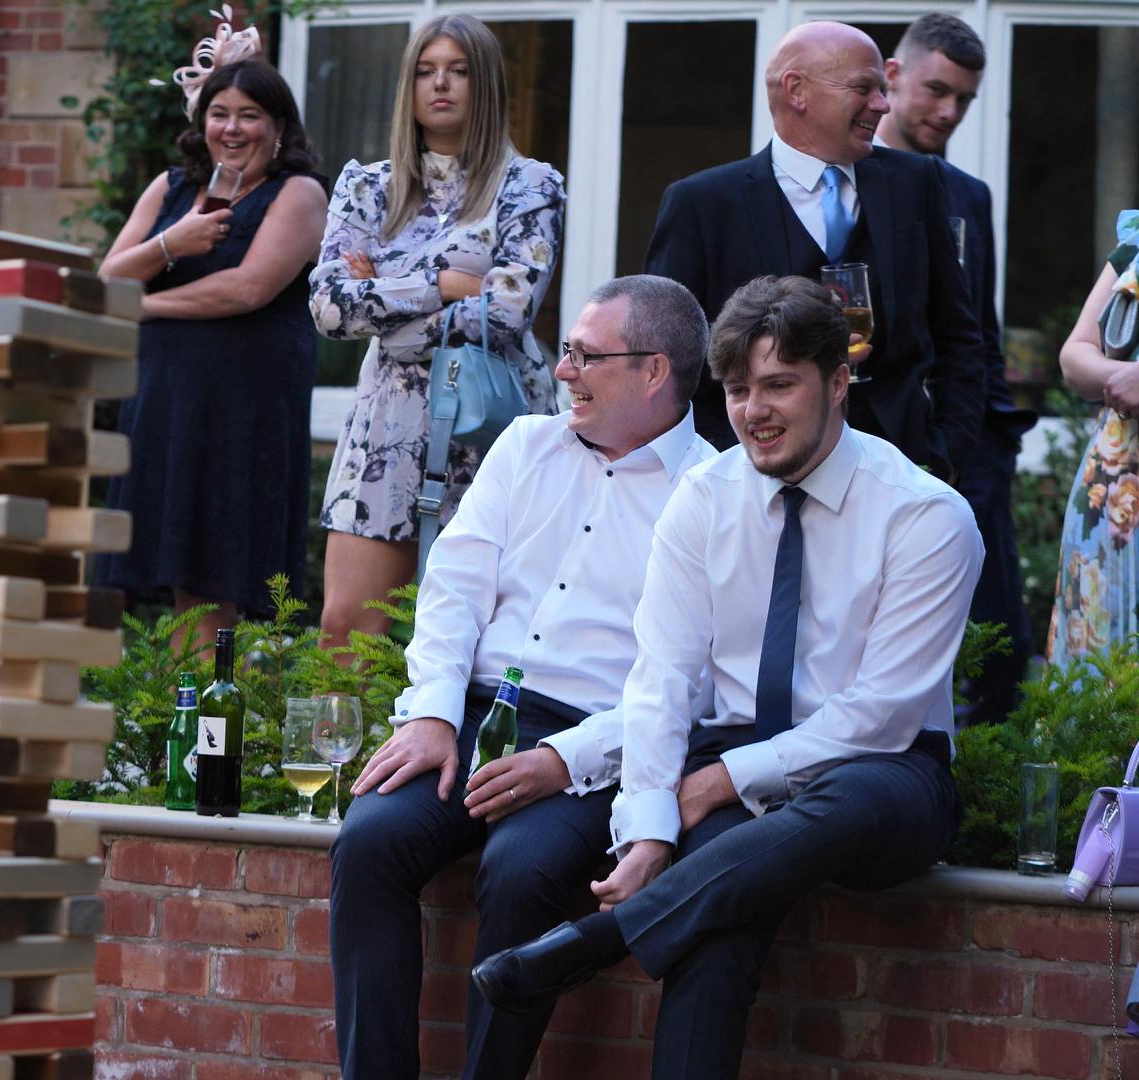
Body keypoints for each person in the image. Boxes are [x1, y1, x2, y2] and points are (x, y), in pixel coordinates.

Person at [474, 276, 981, 1080]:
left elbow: (880, 716)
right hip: (732, 761)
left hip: (885, 776)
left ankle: (600, 942)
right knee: (718, 922)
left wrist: (717, 785)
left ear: (839, 381)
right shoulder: (704, 498)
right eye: (740, 389)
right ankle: (636, 928)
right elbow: (662, 679)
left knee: (847, 792)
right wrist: (646, 831)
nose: (755, 410)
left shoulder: (925, 516)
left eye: (781, 384)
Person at [331, 275, 716, 1079]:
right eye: (567, 351)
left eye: (584, 355)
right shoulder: (525, 444)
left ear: (654, 372)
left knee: (523, 869)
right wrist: (431, 713)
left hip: (590, 749)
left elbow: (690, 684)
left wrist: (564, 762)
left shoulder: (714, 495)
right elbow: (453, 588)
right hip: (469, 717)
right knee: (367, 840)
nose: (564, 370)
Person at [311, 13, 565, 646]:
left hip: (490, 419)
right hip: (385, 429)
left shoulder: (530, 185)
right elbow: (331, 307)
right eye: (425, 71)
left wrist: (388, 310)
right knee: (349, 629)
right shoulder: (367, 186)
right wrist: (445, 284)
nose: (440, 85)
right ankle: (347, 751)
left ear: (485, 86)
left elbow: (507, 311)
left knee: (481, 631)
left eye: (457, 71)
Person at [645, 21, 985, 485]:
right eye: (864, 88)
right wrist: (721, 466)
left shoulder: (916, 184)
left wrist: (944, 452)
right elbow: (672, 360)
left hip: (898, 473)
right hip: (752, 478)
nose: (882, 105)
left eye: (883, 90)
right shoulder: (702, 205)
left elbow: (960, 336)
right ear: (797, 90)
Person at [91, 15, 324, 645]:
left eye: (250, 115)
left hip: (240, 405)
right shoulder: (172, 188)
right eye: (220, 112)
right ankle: (167, 715)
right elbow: (110, 275)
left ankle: (206, 725)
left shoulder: (296, 193)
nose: (232, 128)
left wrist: (147, 306)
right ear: (202, 121)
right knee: (169, 570)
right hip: (164, 396)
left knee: (213, 572)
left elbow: (248, 288)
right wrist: (174, 241)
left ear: (278, 129)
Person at [876, 13, 1034, 724]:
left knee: (1000, 646)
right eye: (936, 90)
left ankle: (981, 814)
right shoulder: (843, 178)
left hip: (970, 448)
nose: (949, 111)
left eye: (964, 99)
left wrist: (992, 443)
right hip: (875, 443)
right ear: (892, 76)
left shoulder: (970, 194)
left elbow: (981, 331)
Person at [1049, 210, 1139, 662]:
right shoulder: (1138, 239)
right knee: (1096, 699)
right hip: (1110, 499)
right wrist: (1123, 375)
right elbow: (1075, 357)